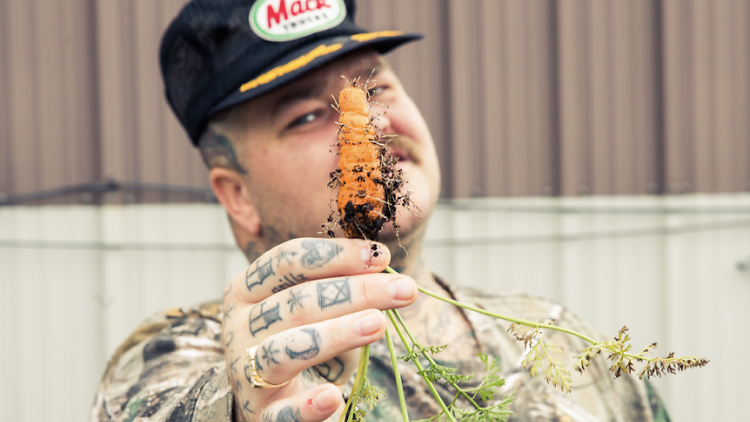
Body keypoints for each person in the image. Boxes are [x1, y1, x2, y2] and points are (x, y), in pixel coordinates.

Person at [91, 1, 670, 421]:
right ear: (237, 195)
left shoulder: (557, 335)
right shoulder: (177, 358)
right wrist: (243, 407)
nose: (366, 121)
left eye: (377, 88)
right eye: (306, 116)